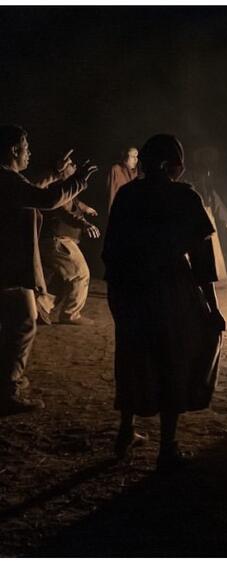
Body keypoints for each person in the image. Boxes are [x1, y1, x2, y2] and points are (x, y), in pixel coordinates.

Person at [103, 134, 225, 471]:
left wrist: (118, 298)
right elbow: (202, 260)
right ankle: (167, 447)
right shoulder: (183, 196)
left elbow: (111, 252)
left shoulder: (128, 195)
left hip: (130, 289)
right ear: (174, 163)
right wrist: (212, 308)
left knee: (133, 356)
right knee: (174, 359)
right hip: (170, 290)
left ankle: (126, 430)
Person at [0, 124, 97, 415]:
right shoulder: (6, 180)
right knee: (24, 323)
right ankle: (9, 389)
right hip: (10, 266)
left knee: (16, 323)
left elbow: (34, 190)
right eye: (26, 148)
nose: (30, 153)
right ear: (14, 149)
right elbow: (45, 199)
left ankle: (8, 382)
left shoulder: (10, 180)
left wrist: (55, 174)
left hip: (11, 264)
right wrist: (78, 180)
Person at [38, 197, 101, 325]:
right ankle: (71, 314)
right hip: (58, 239)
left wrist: (85, 208)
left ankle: (42, 306)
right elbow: (62, 211)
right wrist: (84, 223)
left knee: (64, 277)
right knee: (80, 274)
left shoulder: (62, 184)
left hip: (56, 239)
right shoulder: (59, 185)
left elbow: (74, 200)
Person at [191, 148, 227, 285]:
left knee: (212, 250)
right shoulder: (191, 187)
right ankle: (202, 280)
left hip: (208, 217)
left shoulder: (209, 189)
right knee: (199, 251)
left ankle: (217, 278)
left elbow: (216, 203)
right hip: (196, 219)